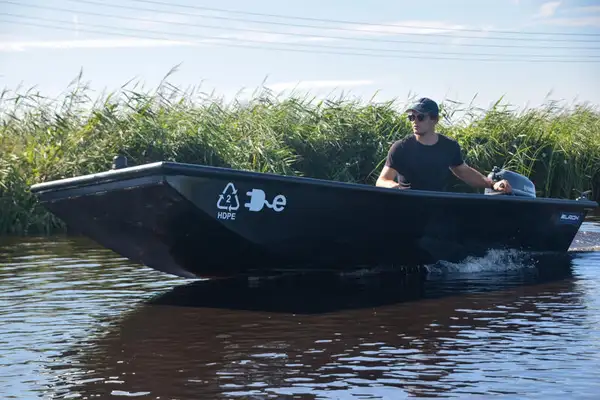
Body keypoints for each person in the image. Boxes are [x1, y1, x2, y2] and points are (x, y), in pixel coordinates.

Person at [376, 97, 512, 194]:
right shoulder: (401, 148)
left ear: (434, 119)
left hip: (437, 207)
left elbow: (464, 172)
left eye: (420, 117)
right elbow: (382, 180)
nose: (415, 122)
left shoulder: (449, 146)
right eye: (411, 117)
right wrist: (392, 186)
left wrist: (493, 184)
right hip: (408, 206)